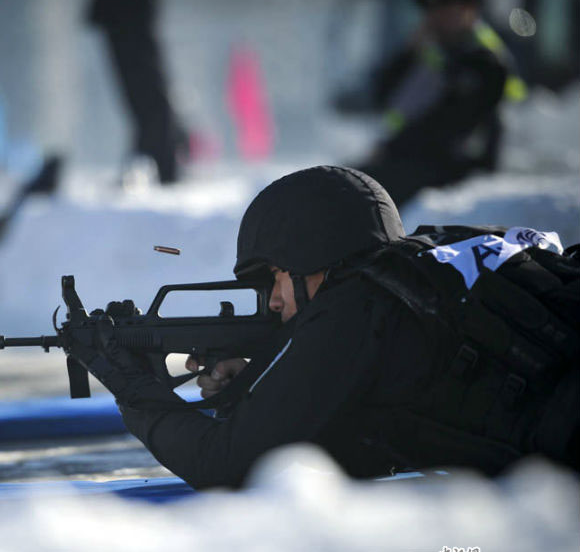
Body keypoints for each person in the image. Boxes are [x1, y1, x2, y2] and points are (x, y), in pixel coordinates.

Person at [66, 166, 579, 488]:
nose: (272, 300)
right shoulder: (435, 262)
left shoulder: (356, 305)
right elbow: (369, 434)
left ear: (307, 257)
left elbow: (229, 468)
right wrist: (259, 390)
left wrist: (135, 393)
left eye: (274, 278)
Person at [354, 0, 525, 207]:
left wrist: (390, 147)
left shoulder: (486, 60)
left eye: (447, 8)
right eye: (431, 10)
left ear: (470, 8)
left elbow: (448, 125)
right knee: (346, 183)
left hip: (464, 173)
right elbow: (381, 95)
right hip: (415, 163)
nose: (436, 18)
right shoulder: (430, 51)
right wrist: (409, 53)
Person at [88, 0, 187, 184]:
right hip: (123, 6)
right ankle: (156, 157)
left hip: (129, 6)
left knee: (145, 86)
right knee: (139, 88)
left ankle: (163, 162)